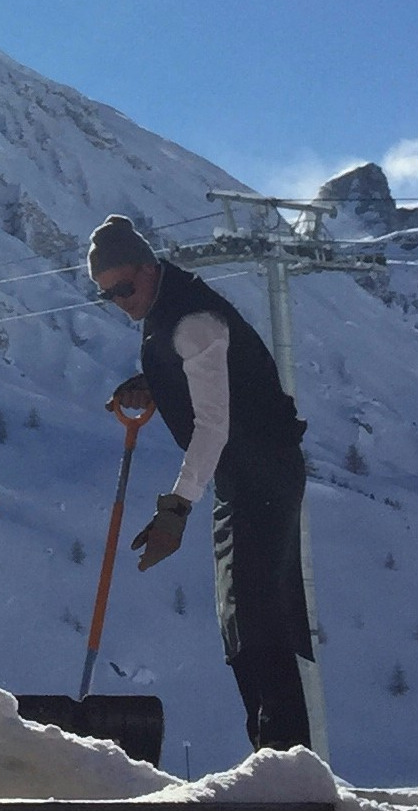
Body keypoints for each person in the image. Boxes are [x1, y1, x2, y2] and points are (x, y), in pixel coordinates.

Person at [86, 214, 314, 750]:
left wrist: (176, 508)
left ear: (148, 269)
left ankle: (286, 759)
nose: (120, 301)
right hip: (242, 476)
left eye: (124, 288)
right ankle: (273, 755)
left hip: (262, 471)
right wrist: (157, 383)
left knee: (257, 617)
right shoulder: (168, 308)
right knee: (241, 621)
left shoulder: (192, 321)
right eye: (107, 295)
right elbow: (208, 382)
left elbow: (215, 425)